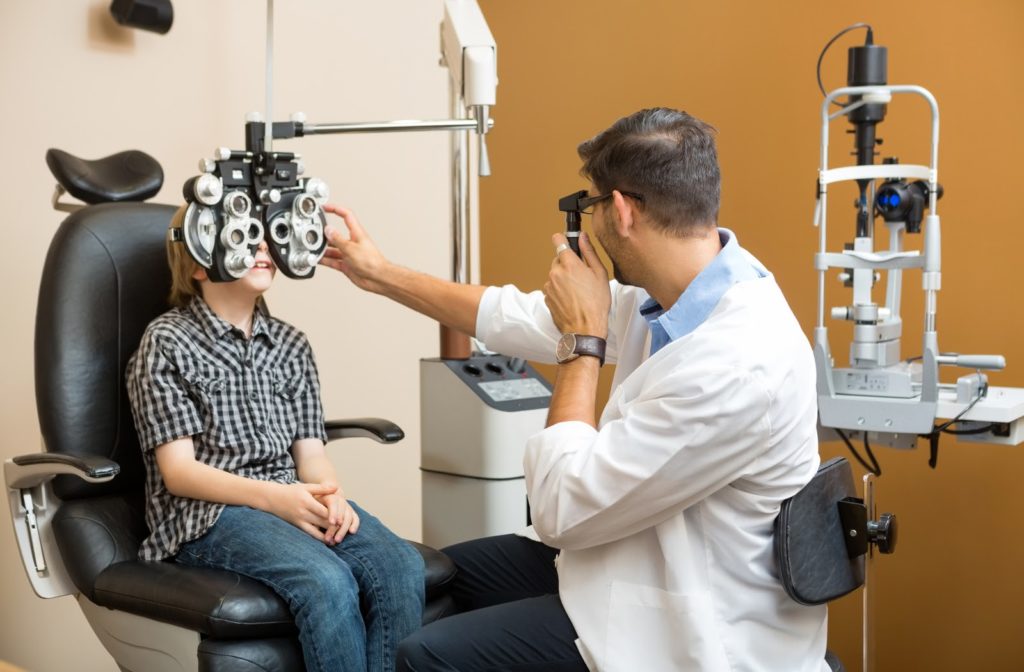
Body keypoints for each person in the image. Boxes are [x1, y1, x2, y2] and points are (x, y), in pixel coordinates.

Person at [319, 107, 826, 671]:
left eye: (590, 205)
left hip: (700, 626)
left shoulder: (737, 363)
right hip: (634, 558)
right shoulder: (685, 292)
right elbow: (513, 315)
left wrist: (582, 344)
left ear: (624, 210)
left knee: (425, 657)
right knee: (433, 578)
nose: (589, 221)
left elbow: (560, 508)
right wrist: (380, 274)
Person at [125, 206, 425, 672]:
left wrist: (331, 495)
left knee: (400, 566)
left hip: (289, 495)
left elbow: (311, 453)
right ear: (201, 262)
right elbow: (179, 474)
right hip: (209, 514)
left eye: (266, 236)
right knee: (326, 580)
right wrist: (275, 499)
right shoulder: (167, 341)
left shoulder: (292, 344)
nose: (263, 245)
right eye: (243, 236)